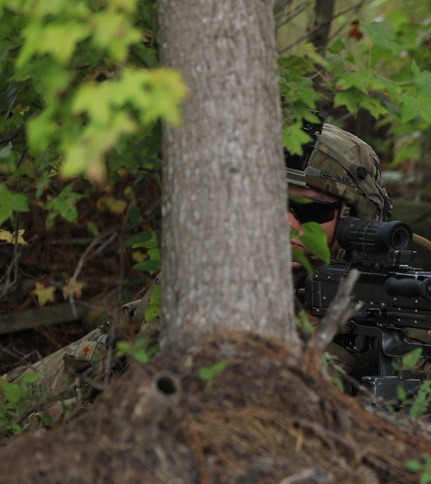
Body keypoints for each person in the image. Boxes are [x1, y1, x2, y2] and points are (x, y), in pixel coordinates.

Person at [1, 121, 391, 431]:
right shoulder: (216, 274)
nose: (285, 223)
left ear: (355, 220)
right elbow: (87, 366)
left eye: (310, 212)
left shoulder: (389, 309)